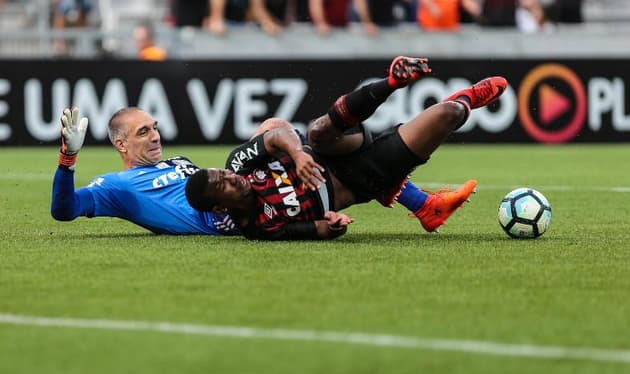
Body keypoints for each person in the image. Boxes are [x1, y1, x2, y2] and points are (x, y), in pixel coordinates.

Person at [185, 56, 508, 240]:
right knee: (447, 114)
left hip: (334, 148)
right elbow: (319, 230)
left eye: (225, 174)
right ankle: (464, 101)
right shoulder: (260, 228)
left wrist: (297, 155)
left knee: (316, 130)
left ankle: (392, 83)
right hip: (363, 180)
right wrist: (334, 226)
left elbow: (274, 136)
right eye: (223, 184)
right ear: (219, 208)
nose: (231, 177)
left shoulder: (240, 165)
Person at [50, 107, 237, 235]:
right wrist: (68, 158)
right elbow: (64, 210)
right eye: (143, 132)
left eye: (155, 128)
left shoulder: (178, 161)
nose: (155, 137)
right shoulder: (117, 186)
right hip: (226, 213)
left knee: (267, 129)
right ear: (121, 145)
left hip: (244, 188)